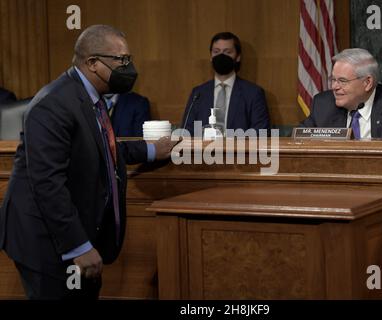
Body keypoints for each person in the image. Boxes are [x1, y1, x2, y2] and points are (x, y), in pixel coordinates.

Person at [0, 25, 178, 299]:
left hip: (66, 235)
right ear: (92, 63)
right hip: (45, 242)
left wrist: (152, 150)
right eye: (122, 61)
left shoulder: (89, 97)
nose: (129, 68)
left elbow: (101, 147)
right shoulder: (54, 104)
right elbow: (48, 184)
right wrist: (78, 246)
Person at [181, 32, 270, 136]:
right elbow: (186, 131)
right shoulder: (198, 93)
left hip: (239, 151)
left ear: (238, 57)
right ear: (211, 56)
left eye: (227, 52)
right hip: (203, 151)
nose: (221, 56)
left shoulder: (253, 93)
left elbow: (261, 132)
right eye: (216, 51)